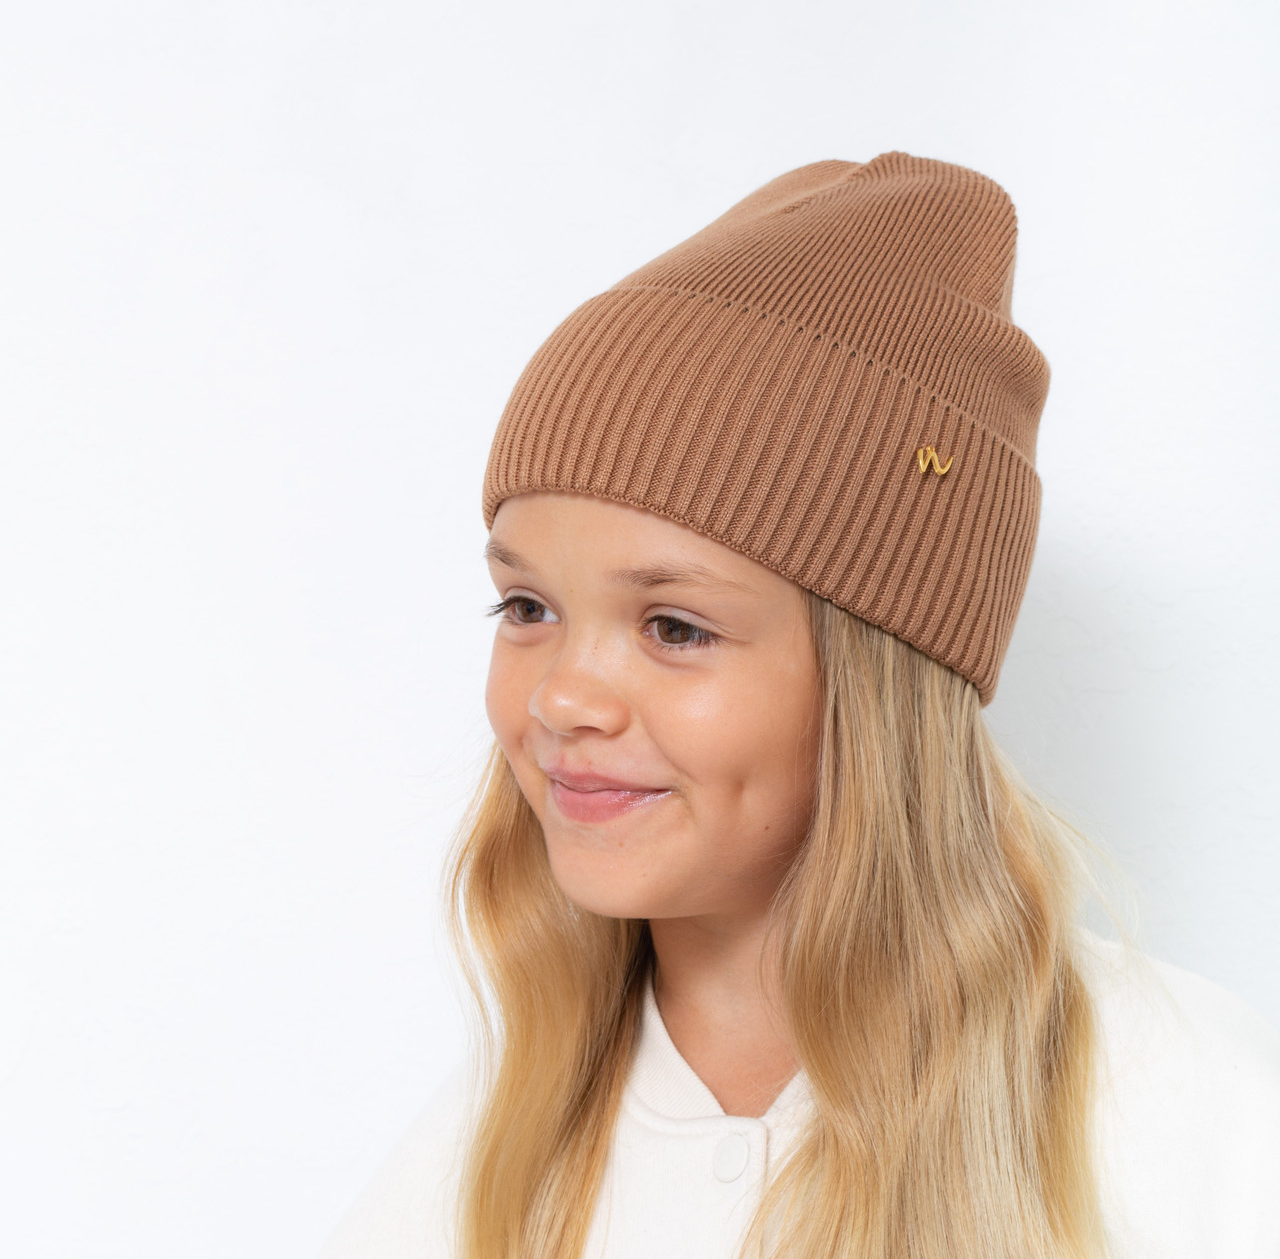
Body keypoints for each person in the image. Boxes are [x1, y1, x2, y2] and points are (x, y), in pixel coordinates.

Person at [316, 153, 1280, 1259]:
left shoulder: (1188, 1110)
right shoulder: (485, 1153)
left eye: (674, 626)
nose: (563, 695)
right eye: (526, 606)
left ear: (880, 684)